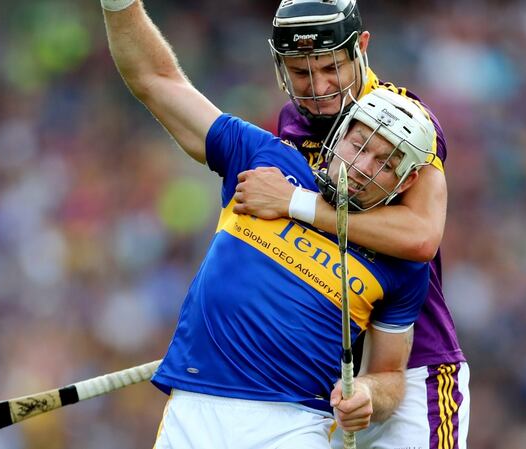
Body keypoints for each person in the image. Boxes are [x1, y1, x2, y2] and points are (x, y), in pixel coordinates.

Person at [101, 1, 438, 447]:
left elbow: (390, 374)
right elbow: (156, 80)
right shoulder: (265, 159)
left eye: (386, 162)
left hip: (293, 425)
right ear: (339, 134)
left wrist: (370, 395)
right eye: (359, 144)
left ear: (408, 180)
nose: (362, 165)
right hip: (194, 407)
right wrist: (117, 4)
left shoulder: (400, 261)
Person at [232, 1, 470, 448]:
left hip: (413, 367)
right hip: (315, 376)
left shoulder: (404, 119)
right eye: (301, 73)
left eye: (330, 68)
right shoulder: (285, 127)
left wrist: (296, 203)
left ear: (361, 48)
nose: (319, 88)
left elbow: (420, 236)